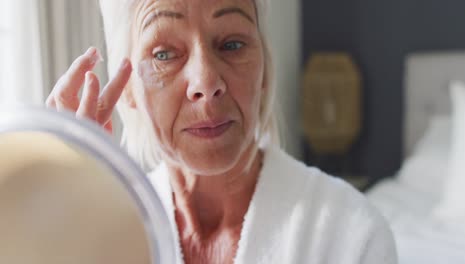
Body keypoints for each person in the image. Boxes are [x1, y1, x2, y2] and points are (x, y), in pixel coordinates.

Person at [46, 0, 397, 263]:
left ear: (263, 68)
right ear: (127, 89)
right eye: (165, 54)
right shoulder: (106, 236)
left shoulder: (351, 235)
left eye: (232, 44)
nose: (206, 82)